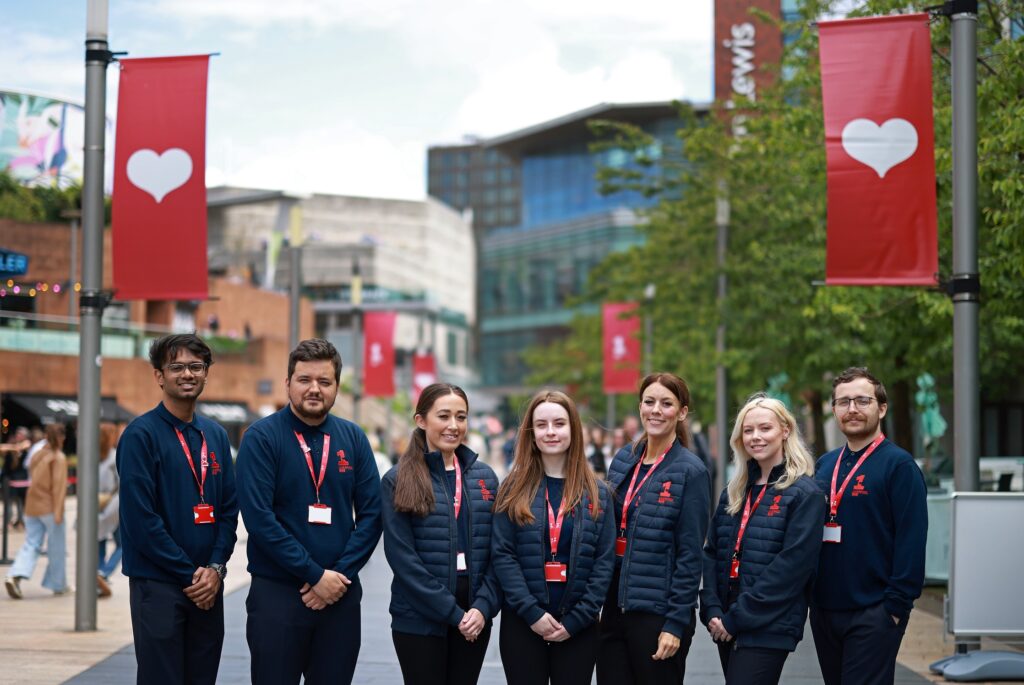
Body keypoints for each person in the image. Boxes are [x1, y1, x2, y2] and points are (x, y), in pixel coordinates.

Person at [237, 338, 383, 685]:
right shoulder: (261, 437)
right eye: (304, 380)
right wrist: (314, 575)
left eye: (324, 381)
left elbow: (373, 514)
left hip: (341, 596)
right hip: (277, 596)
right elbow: (259, 520)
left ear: (336, 387)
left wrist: (338, 576)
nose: (314, 389)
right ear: (288, 383)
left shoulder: (353, 438)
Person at [116, 334, 238, 684]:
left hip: (208, 586)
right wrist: (190, 574)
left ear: (206, 373)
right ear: (159, 376)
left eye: (196, 367)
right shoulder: (141, 435)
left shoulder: (214, 435)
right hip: (160, 587)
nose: (188, 374)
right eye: (177, 367)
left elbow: (229, 509)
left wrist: (215, 568)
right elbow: (141, 521)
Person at [810, 367, 928, 685]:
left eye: (862, 401)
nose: (852, 409)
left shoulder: (899, 466)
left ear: (882, 408)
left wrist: (894, 606)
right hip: (824, 610)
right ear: (834, 409)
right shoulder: (825, 465)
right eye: (843, 402)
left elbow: (911, 539)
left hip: (874, 611)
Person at [492, 390, 615, 685]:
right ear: (531, 434)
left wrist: (577, 620)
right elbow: (503, 555)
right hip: (523, 624)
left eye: (559, 423)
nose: (551, 432)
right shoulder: (512, 489)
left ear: (573, 429)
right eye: (542, 425)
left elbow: (604, 561)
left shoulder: (599, 494)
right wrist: (532, 613)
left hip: (578, 627)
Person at [700, 395, 826, 685]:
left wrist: (736, 618)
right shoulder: (735, 490)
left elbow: (792, 568)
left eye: (765, 428)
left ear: (785, 431)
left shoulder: (805, 493)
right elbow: (712, 552)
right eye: (748, 430)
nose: (755, 437)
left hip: (768, 623)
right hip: (726, 617)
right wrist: (712, 607)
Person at [381, 383, 500, 685]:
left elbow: (499, 552)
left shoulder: (484, 477)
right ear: (421, 420)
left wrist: (482, 609)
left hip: (474, 619)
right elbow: (402, 559)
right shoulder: (398, 479)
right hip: (420, 620)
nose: (453, 425)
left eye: (461, 417)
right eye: (443, 416)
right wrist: (454, 614)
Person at [597, 372, 711, 684]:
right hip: (614, 609)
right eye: (649, 402)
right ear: (640, 407)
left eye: (666, 403)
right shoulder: (624, 459)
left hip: (658, 614)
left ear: (682, 412)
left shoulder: (691, 471)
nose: (656, 410)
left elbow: (691, 556)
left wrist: (675, 624)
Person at [5, 423, 69, 599]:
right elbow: (58, 488)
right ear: (61, 437)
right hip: (49, 506)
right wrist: (58, 512)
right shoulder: (59, 458)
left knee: (31, 543)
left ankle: (15, 574)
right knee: (57, 547)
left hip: (32, 504)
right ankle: (58, 584)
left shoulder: (37, 453)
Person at [96, 423, 122, 597]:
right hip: (113, 504)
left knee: (100, 540)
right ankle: (104, 572)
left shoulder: (92, 456)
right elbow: (121, 483)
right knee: (123, 543)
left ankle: (99, 572)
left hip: (95, 504)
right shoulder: (115, 457)